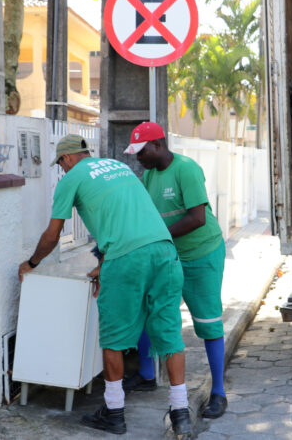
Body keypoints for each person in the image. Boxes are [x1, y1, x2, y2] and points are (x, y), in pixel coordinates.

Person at [17, 134, 192, 437]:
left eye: (60, 165)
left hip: (127, 260)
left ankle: (113, 412)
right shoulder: (118, 166)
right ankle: (181, 413)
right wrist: (104, 263)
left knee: (112, 337)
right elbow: (129, 219)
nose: (62, 170)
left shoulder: (71, 180)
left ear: (67, 159)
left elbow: (53, 233)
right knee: (169, 334)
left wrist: (31, 263)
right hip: (164, 252)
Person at [123, 122, 228, 419]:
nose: (137, 158)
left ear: (158, 145)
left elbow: (197, 218)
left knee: (208, 322)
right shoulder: (149, 175)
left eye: (141, 152)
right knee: (148, 311)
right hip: (169, 256)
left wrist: (161, 237)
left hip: (201, 254)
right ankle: (146, 375)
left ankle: (219, 393)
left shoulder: (186, 169)